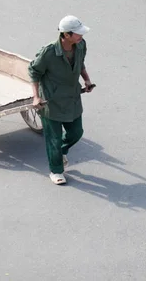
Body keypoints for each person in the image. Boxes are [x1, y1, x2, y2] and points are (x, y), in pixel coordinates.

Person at [28, 16, 95, 185]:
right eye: (78, 34)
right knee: (54, 139)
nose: (81, 36)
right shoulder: (49, 52)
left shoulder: (81, 45)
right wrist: (36, 97)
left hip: (72, 97)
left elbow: (81, 64)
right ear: (66, 35)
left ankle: (61, 151)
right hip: (51, 101)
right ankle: (56, 170)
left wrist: (86, 80)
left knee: (76, 132)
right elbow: (34, 72)